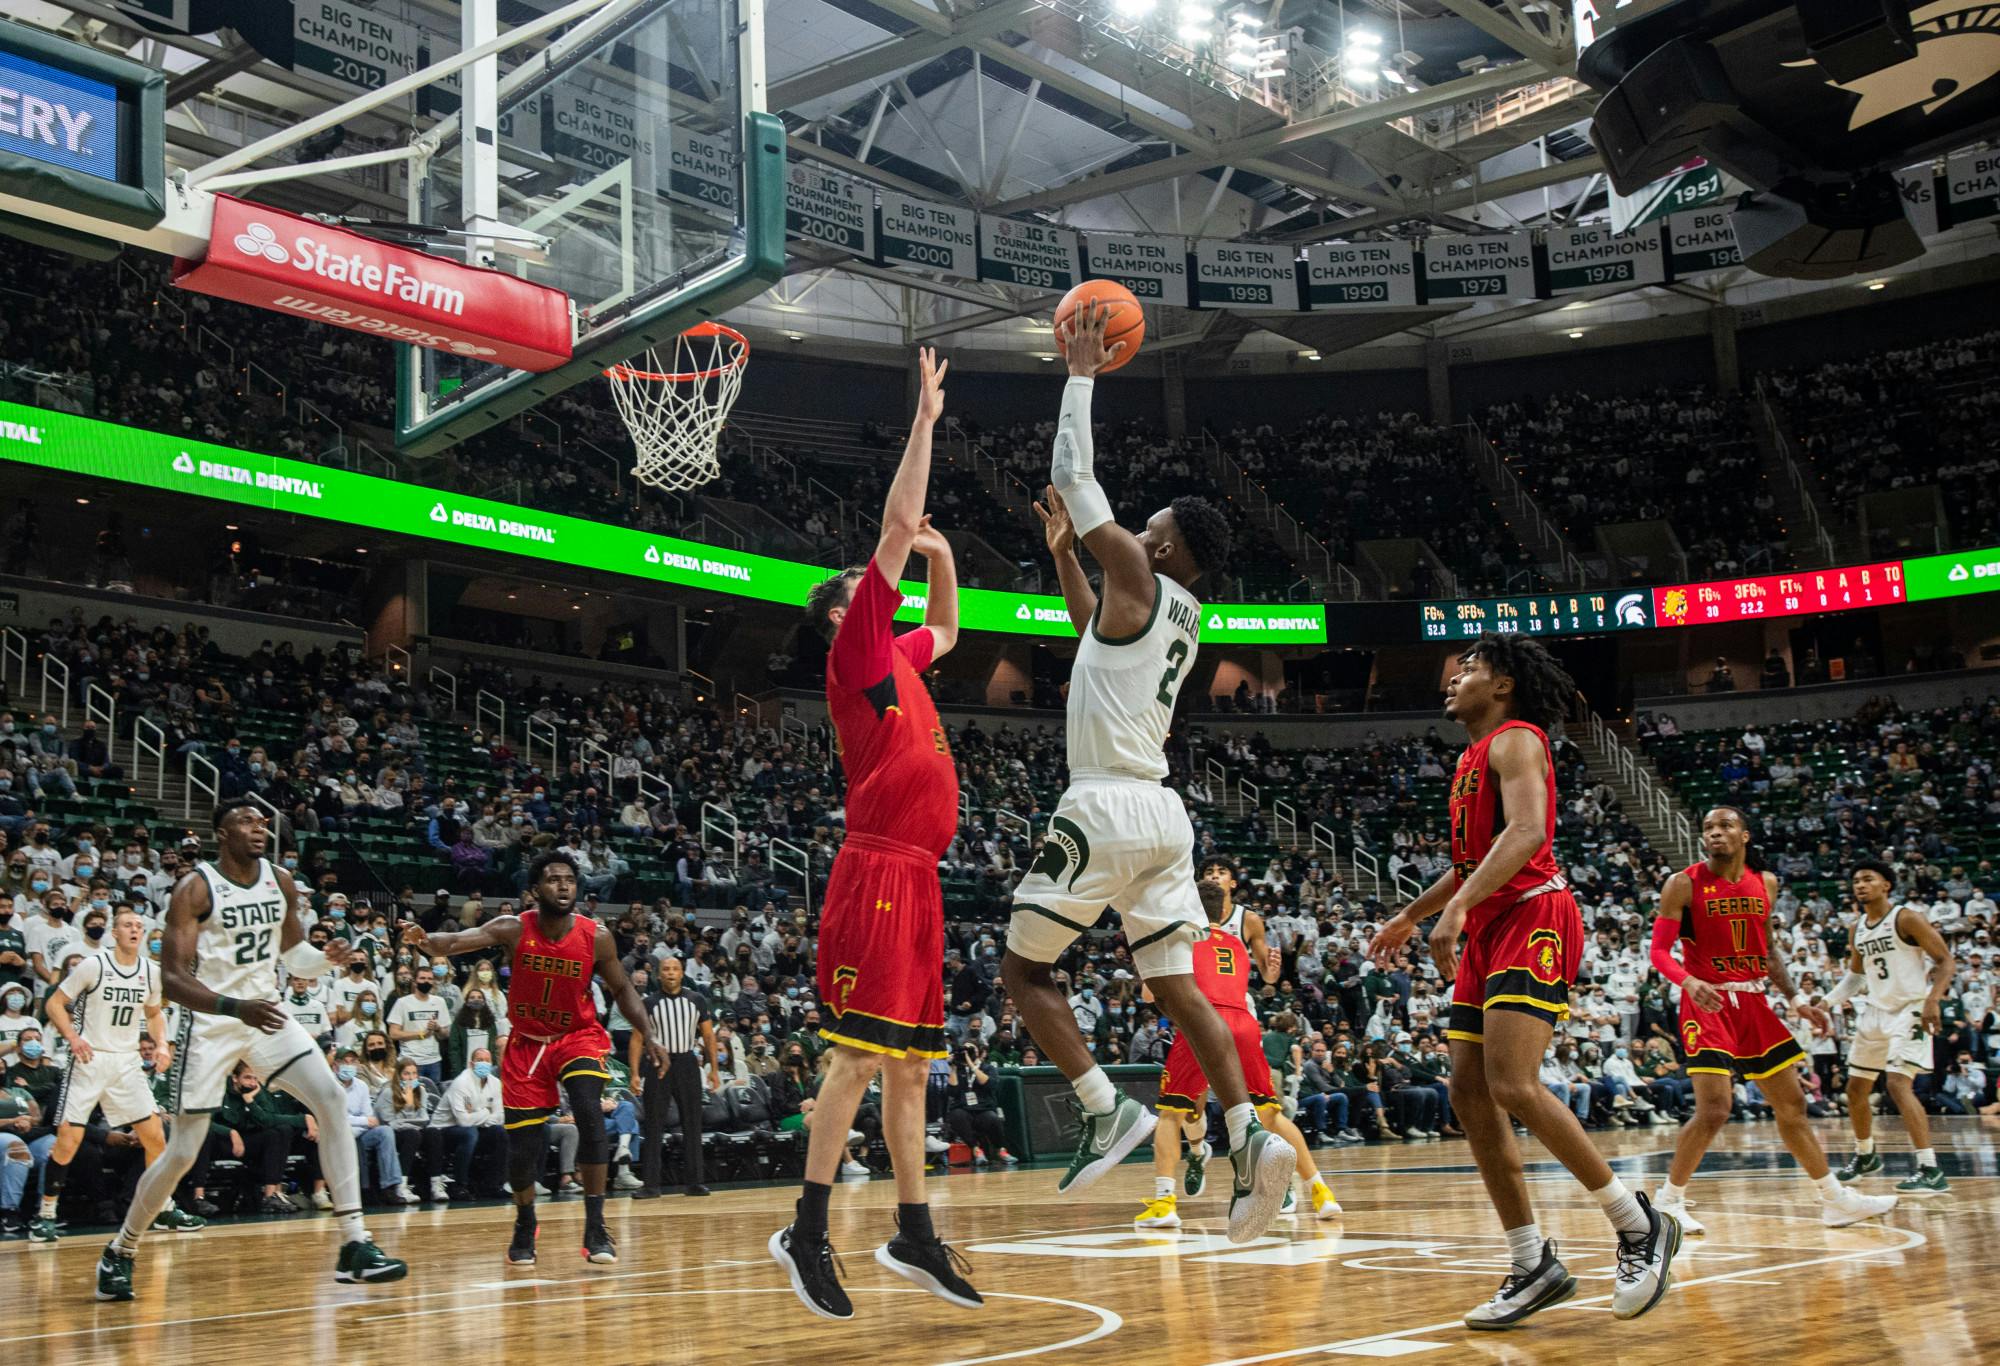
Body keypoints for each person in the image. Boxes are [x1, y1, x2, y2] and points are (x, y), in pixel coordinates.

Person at [1003, 300, 1291, 1248]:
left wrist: (1081, 371)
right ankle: (1249, 1138)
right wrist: (1060, 562)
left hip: (1105, 801)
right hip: (1166, 817)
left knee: (1023, 967)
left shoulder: (1136, 564)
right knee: (1178, 988)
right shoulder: (1180, 612)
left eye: (1149, 523)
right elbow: (1097, 624)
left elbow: (1071, 474)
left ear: (1160, 546)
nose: (1138, 525)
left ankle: (1101, 1108)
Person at [1368, 634, 1677, 1329]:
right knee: (1469, 1091)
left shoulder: (1516, 738)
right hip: (1488, 925)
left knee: (1512, 1082)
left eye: (1469, 669)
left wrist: (1456, 907)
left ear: (1503, 684)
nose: (1453, 678)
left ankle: (1637, 1226)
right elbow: (1474, 858)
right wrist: (1411, 915)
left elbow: (1529, 833)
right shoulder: (1469, 759)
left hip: (1534, 915)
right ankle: (1531, 1259)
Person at [771, 347, 981, 1321]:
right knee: (856, 1059)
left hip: (921, 879)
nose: (879, 582)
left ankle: (912, 1229)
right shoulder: (855, 645)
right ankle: (805, 1231)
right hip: (878, 875)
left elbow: (947, 631)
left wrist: (942, 558)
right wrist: (925, 422)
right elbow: (897, 522)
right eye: (862, 583)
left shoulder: (897, 653)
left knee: (909, 1067)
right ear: (840, 614)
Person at [99, 800, 406, 1301]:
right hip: (214, 1023)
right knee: (181, 1153)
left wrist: (326, 960)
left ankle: (355, 1243)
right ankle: (121, 1250)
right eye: (246, 822)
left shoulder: (280, 879)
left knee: (329, 1099)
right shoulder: (194, 887)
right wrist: (234, 1006)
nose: (259, 828)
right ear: (221, 833)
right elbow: (174, 981)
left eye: (263, 822)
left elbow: (293, 953)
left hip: (264, 1014)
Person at [402, 850, 666, 1267]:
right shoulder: (513, 927)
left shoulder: (596, 936)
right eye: (552, 879)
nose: (562, 886)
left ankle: (595, 1225)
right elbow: (452, 943)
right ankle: (526, 1221)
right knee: (524, 1150)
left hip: (576, 1036)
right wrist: (422, 939)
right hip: (526, 1043)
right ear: (534, 890)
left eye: (569, 880)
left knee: (588, 1112)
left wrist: (648, 1032)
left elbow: (622, 990)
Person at [1647, 808, 1895, 1232]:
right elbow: (1657, 952)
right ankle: (1668, 1202)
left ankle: (1834, 1199)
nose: (1715, 833)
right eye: (1708, 828)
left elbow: (1767, 951)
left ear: (1744, 834)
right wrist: (1688, 982)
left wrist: (1797, 999)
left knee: (1792, 1104)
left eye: (1724, 826)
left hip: (1754, 1002)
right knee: (1715, 1109)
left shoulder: (1766, 883)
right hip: (1707, 1001)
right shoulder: (1682, 883)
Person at [1136, 881, 1339, 1231]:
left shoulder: (1180, 939)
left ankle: (1164, 1202)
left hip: (1203, 1021)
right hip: (1243, 1023)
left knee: (1171, 1115)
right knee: (1270, 1117)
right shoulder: (1236, 943)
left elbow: (1147, 995)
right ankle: (1321, 1192)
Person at [30, 905, 205, 1245]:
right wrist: (73, 1038)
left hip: (126, 1062)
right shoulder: (94, 964)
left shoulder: (151, 972)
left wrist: (162, 1045)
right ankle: (45, 1214)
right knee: (68, 1141)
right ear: (115, 932)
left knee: (156, 1138)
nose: (135, 930)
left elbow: (154, 1013)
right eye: (127, 925)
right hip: (90, 1059)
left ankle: (162, 1207)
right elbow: (54, 1003)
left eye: (139, 925)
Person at [1828, 860, 1958, 1194]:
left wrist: (1933, 1000)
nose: (1860, 885)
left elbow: (1945, 961)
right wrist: (1824, 1002)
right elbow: (1856, 977)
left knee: (1898, 1085)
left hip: (1910, 1009)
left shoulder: (1906, 917)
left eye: (1868, 879)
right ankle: (1866, 1155)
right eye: (1856, 880)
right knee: (1855, 1090)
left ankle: (1930, 1169)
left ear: (1886, 885)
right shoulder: (1857, 927)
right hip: (1875, 1010)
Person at [633, 955, 719, 1199]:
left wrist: (714, 1069)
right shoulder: (648, 1002)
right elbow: (636, 1040)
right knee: (653, 1124)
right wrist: (635, 1073)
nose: (670, 973)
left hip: (687, 1062)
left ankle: (695, 1182)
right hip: (658, 1063)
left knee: (692, 1122)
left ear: (682, 973)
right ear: (659, 975)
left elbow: (709, 1036)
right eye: (666, 969)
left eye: (675, 969)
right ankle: (650, 1185)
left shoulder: (697, 999)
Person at [440, 1047, 505, 1196]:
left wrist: (477, 1116)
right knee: (470, 1133)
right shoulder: (461, 1083)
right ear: (471, 1064)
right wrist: (486, 1112)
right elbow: (463, 1121)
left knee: (500, 1131)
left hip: (475, 1127)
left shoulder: (495, 1083)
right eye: (479, 1060)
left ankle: (493, 1185)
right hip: (445, 1130)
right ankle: (460, 1185)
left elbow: (500, 1116)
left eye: (487, 1060)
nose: (483, 1063)